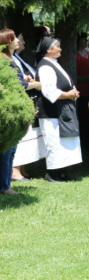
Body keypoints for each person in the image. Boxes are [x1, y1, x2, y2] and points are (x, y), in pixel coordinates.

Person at [35, 36, 82, 182]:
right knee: (53, 142)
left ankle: (62, 172)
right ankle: (52, 174)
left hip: (62, 108)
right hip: (51, 111)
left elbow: (66, 83)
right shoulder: (45, 66)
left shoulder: (54, 63)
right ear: (48, 49)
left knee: (63, 142)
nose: (60, 49)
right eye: (58, 46)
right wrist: (68, 94)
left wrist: (73, 92)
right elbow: (49, 91)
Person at [0, 30, 41, 193]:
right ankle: (4, 186)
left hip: (15, 108)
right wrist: (35, 85)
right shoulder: (4, 61)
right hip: (9, 109)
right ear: (6, 42)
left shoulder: (11, 59)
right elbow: (15, 85)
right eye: (14, 38)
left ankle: (5, 184)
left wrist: (26, 80)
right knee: (7, 149)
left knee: (12, 148)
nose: (17, 40)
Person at [11, 30, 44, 181]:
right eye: (21, 39)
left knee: (27, 135)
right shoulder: (8, 59)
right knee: (20, 137)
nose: (23, 42)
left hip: (28, 100)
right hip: (18, 101)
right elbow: (17, 82)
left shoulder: (17, 57)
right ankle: (14, 170)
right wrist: (32, 83)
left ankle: (22, 168)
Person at [76, 33, 89, 157]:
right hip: (81, 91)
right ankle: (82, 146)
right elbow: (76, 76)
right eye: (83, 40)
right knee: (83, 120)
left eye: (86, 39)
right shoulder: (75, 55)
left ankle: (88, 146)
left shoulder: (88, 54)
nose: (86, 42)